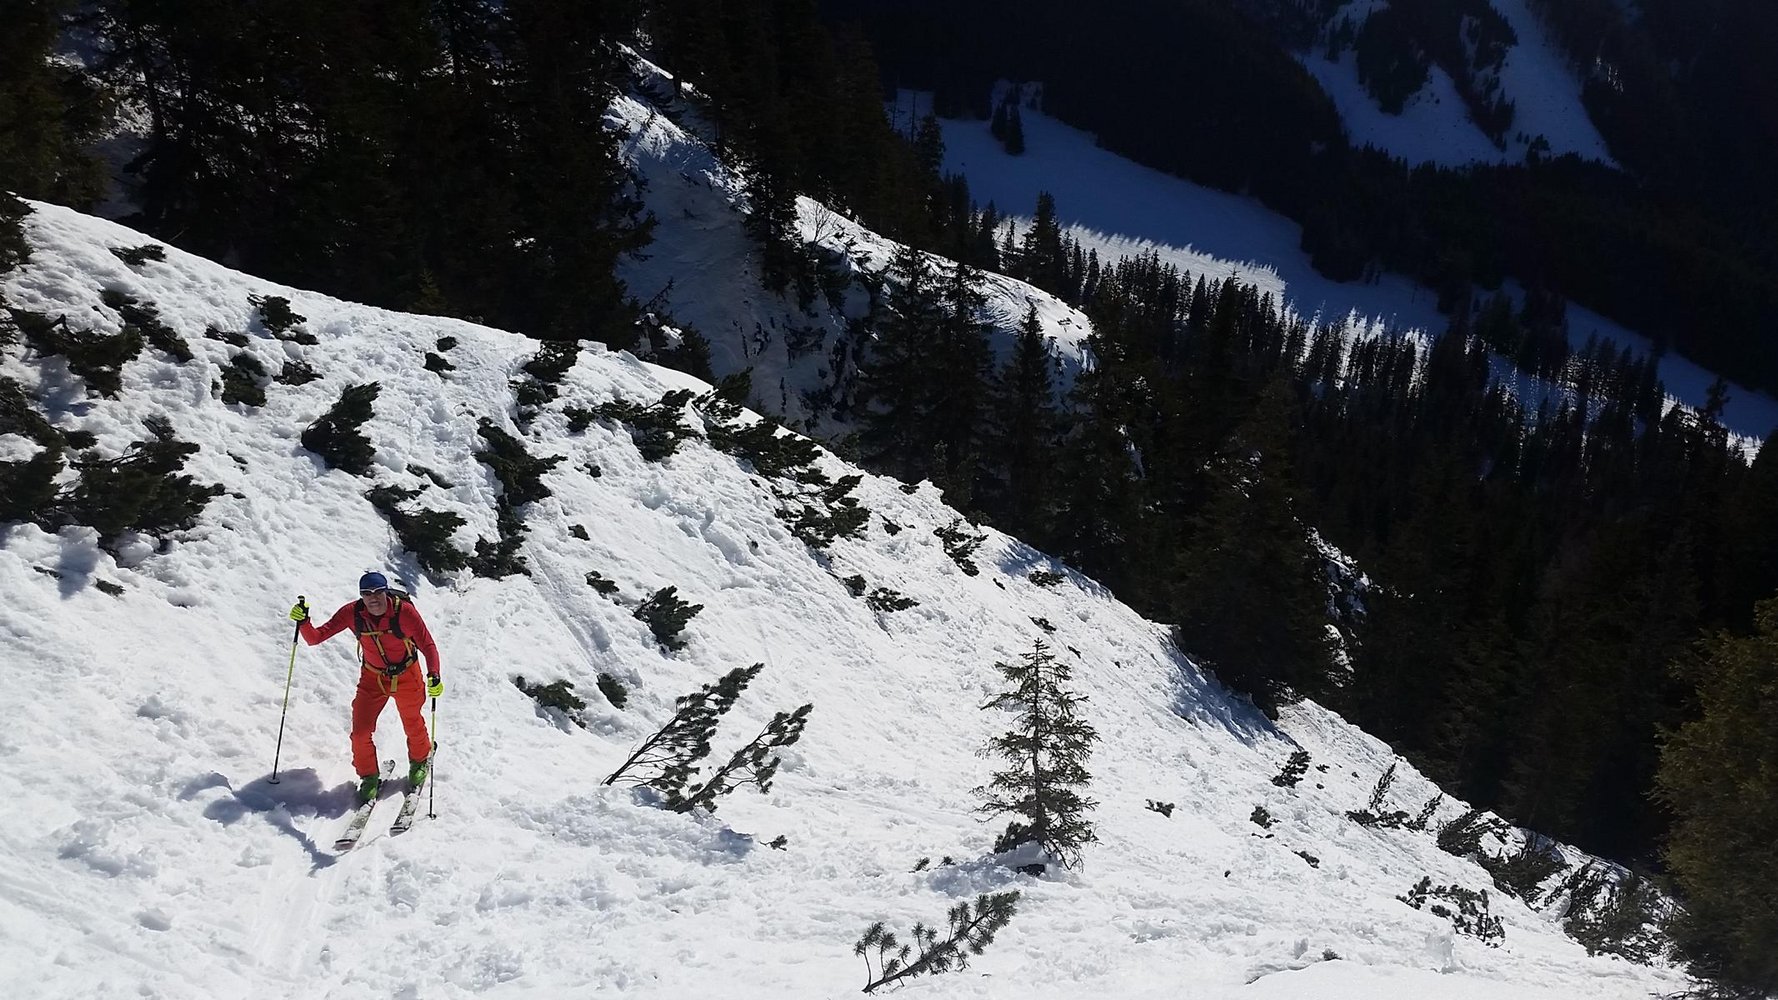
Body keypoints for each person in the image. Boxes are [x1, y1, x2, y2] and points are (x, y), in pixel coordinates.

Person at [289, 572, 443, 803]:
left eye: (378, 592)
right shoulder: (352, 613)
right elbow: (315, 638)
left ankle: (420, 760)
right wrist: (303, 622)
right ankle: (368, 776)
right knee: (360, 732)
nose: (373, 598)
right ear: (361, 596)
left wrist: (434, 675)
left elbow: (428, 645)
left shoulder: (404, 613)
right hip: (372, 678)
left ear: (386, 592)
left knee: (412, 722)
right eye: (367, 594)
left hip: (407, 675)